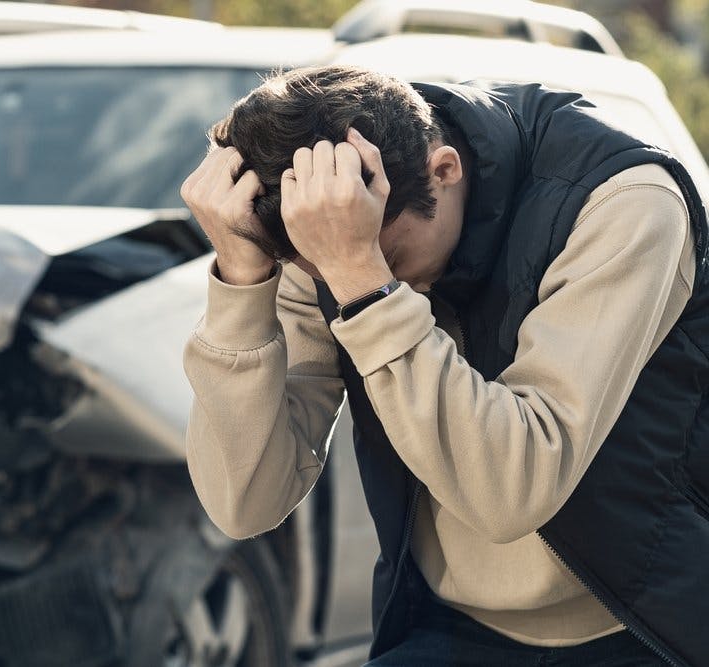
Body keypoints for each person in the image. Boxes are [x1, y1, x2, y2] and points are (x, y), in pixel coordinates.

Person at [180, 66, 709, 666]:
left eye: (391, 256)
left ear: (446, 170)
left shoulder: (623, 202)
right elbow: (245, 503)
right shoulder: (328, 232)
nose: (344, 280)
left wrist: (365, 280)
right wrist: (241, 283)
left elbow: (510, 493)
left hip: (650, 626)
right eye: (328, 269)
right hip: (448, 623)